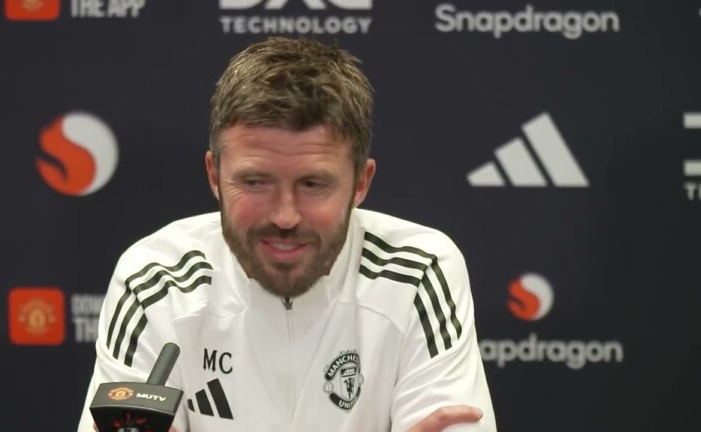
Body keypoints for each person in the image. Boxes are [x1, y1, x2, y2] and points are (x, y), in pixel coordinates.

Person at [78, 37, 496, 432]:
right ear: (214, 176)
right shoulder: (154, 282)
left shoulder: (418, 273)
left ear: (361, 183)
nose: (284, 216)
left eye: (313, 184)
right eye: (255, 182)